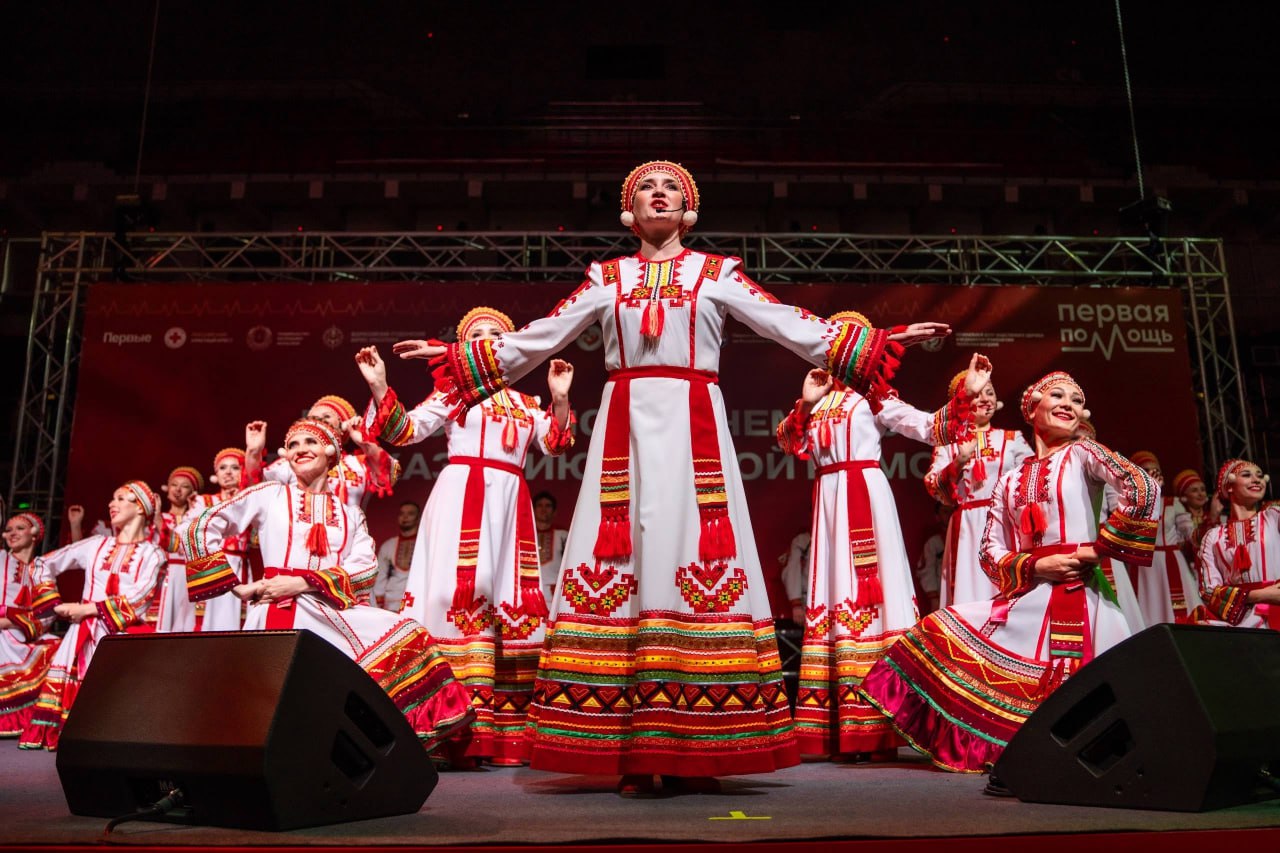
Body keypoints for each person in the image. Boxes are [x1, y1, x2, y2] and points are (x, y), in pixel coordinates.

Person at [392, 160, 949, 796]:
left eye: (673, 189)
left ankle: (700, 744)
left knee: (691, 557)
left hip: (694, 435)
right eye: (645, 189)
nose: (660, 195)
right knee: (632, 563)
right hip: (624, 437)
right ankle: (636, 743)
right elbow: (539, 338)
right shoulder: (606, 278)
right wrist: (463, 358)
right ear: (628, 213)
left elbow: (789, 323)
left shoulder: (718, 275)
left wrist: (881, 341)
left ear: (689, 211)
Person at [858, 372, 1159, 775]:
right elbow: (990, 551)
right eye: (1057, 395)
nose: (1069, 403)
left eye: (1077, 398)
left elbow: (1141, 487)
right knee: (939, 628)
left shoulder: (1084, 453)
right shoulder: (1011, 479)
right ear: (1032, 409)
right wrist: (1035, 565)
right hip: (1033, 590)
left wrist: (1098, 549)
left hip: (1082, 593)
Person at [358, 306, 575, 767]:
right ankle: (447, 728)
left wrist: (558, 398)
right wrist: (380, 385)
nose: (485, 342)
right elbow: (406, 430)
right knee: (452, 597)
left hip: (509, 506)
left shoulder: (524, 404)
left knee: (507, 602)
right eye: (475, 335)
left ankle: (502, 737)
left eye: (495, 336)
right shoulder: (453, 393)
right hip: (461, 500)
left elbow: (555, 444)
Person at [182, 417, 474, 750]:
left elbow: (365, 570)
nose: (300, 450)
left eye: (310, 442)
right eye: (292, 445)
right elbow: (201, 526)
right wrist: (234, 585)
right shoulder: (270, 495)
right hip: (280, 610)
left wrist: (300, 583)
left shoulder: (350, 513)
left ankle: (390, 748)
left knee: (409, 635)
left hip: (329, 608)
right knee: (281, 703)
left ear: (331, 452)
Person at [774, 343, 985, 760]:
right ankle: (842, 728)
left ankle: (879, 724)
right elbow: (788, 442)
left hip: (865, 497)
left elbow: (927, 426)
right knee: (836, 597)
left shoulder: (874, 397)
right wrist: (805, 404)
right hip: (830, 502)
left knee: (876, 600)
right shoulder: (818, 398)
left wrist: (967, 395)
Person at [19, 483, 166, 749]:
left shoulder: (152, 554)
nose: (113, 503)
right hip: (82, 633)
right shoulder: (97, 545)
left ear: (141, 508)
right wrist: (52, 602)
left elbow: (140, 598)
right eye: (112, 498)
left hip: (120, 635)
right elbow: (42, 564)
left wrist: (86, 609)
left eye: (121, 498)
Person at [926, 366, 1033, 607]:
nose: (986, 399)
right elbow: (933, 485)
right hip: (966, 526)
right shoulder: (948, 443)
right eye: (978, 394)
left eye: (991, 393)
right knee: (966, 589)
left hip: (1004, 522)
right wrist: (959, 462)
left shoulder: (1011, 438)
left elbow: (1030, 477)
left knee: (1006, 587)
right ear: (962, 401)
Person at [246, 395, 400, 512]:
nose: (319, 421)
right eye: (313, 418)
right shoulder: (294, 460)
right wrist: (253, 453)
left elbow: (388, 475)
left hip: (350, 547)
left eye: (326, 417)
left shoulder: (358, 464)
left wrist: (364, 442)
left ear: (342, 427)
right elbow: (257, 488)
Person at [1193, 459, 1280, 629]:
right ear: (1229, 486)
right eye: (1247, 475)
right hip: (1239, 617)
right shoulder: (1212, 537)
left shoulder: (1273, 517)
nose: (1257, 480)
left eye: (1260, 476)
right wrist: (1259, 595)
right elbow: (1209, 591)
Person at [1124, 451, 1201, 624]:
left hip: (1171, 561)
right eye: (1146, 470)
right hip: (1143, 564)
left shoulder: (1173, 504)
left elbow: (1189, 533)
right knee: (1148, 606)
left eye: (1156, 469)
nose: (1152, 473)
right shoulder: (1129, 504)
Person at [0, 514, 58, 735]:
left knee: (61, 650)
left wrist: (11, 621)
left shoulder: (42, 570)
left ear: (34, 534)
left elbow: (48, 614)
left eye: (20, 528)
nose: (12, 533)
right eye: (9, 529)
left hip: (20, 633)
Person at [183, 449, 252, 631]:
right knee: (210, 622)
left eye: (235, 467)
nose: (228, 472)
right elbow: (185, 531)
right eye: (223, 468)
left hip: (242, 566)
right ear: (216, 474)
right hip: (212, 564)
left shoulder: (250, 499)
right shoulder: (203, 501)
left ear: (243, 471)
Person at [154, 466, 203, 632]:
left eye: (185, 486)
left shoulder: (196, 520)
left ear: (193, 493)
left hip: (191, 574)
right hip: (166, 574)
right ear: (167, 489)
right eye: (174, 484)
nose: (178, 489)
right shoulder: (158, 518)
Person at [374, 501, 421, 612]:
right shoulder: (388, 545)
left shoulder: (424, 544)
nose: (405, 517)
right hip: (391, 603)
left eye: (410, 514)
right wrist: (378, 603)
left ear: (418, 518)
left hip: (417, 601)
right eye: (401, 514)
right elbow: (380, 575)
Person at [915, 502, 952, 615]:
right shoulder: (934, 542)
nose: (949, 515)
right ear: (937, 516)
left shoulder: (963, 537)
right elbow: (926, 570)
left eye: (951, 511)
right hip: (942, 593)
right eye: (945, 511)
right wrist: (933, 597)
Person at [533, 491, 569, 601]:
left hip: (555, 593)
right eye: (539, 506)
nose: (543, 509)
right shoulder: (524, 536)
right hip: (529, 592)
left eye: (548, 506)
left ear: (555, 511)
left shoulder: (563, 535)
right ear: (533, 510)